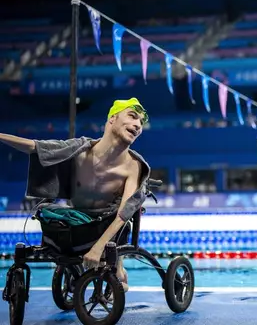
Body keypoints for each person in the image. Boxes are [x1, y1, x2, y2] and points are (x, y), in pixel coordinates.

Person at [0, 98, 152, 292]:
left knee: (120, 281)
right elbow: (36, 147)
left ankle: (119, 268)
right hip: (78, 220)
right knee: (49, 213)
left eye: (140, 122)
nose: (138, 125)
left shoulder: (133, 166)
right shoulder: (79, 150)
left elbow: (125, 212)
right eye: (132, 116)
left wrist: (99, 248)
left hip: (107, 222)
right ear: (112, 119)